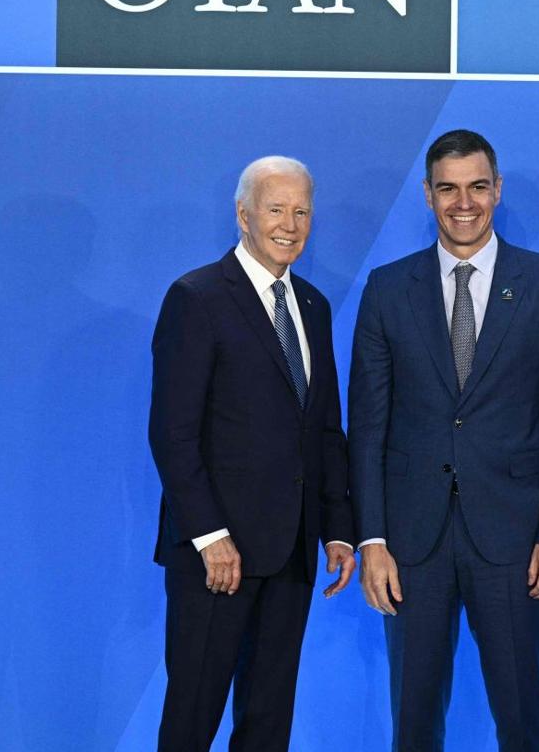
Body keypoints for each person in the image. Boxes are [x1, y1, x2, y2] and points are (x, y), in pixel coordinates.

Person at [349, 129, 539, 751]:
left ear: (497, 190)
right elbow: (367, 427)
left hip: (513, 541)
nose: (464, 203)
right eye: (448, 189)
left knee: (521, 720)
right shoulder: (386, 288)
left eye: (478, 186)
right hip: (410, 544)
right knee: (414, 722)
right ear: (427, 196)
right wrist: (371, 538)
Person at [148, 156, 356, 751]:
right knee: (192, 716)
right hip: (219, 558)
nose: (289, 224)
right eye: (275, 209)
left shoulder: (313, 305)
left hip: (290, 553)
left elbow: (323, 429)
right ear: (243, 215)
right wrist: (210, 537)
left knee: (268, 721)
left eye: (302, 211)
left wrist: (337, 526)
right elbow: (172, 432)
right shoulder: (197, 297)